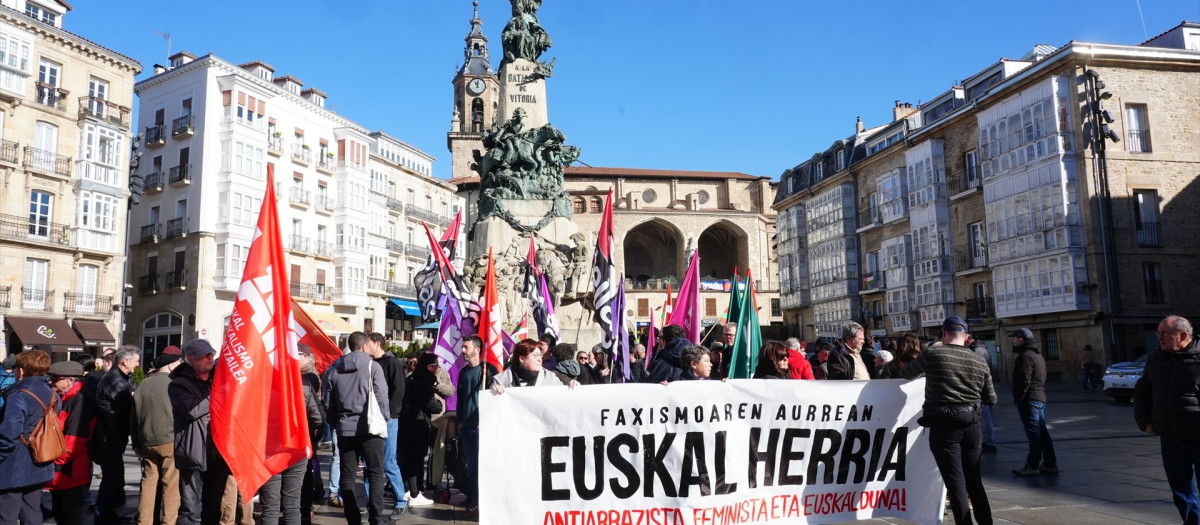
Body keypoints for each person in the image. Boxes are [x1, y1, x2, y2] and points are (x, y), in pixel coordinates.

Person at [900, 316, 996, 525]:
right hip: (972, 426)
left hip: (944, 426)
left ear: (943, 333)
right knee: (974, 481)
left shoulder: (934, 353)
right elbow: (992, 398)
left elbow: (906, 373)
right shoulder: (979, 360)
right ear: (967, 337)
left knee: (956, 484)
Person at [1135, 315, 1200, 524]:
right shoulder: (1156, 359)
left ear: (1182, 335)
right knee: (1180, 491)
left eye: (1164, 333)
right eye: (1158, 333)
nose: (1159, 338)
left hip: (1198, 436)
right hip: (1170, 439)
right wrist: (1145, 421)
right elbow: (1143, 391)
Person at [323, 331, 390, 525]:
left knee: (347, 477)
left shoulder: (335, 370)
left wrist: (337, 424)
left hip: (345, 429)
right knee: (376, 474)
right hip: (370, 429)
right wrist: (384, 419)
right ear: (363, 346)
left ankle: (353, 520)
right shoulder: (372, 367)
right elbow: (382, 398)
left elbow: (329, 403)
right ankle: (376, 519)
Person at [0, 349, 55, 524]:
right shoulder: (52, 393)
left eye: (16, 368)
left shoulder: (18, 396)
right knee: (32, 511)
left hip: (13, 465)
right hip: (41, 459)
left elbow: (9, 434)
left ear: (22, 371)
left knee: (6, 515)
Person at [131, 352, 183, 525]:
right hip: (169, 440)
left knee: (148, 484)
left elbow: (134, 417)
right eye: (178, 363)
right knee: (170, 485)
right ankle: (169, 521)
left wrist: (136, 443)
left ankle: (144, 521)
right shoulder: (174, 384)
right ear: (170, 366)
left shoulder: (143, 385)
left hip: (147, 440)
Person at [169, 339, 216, 525]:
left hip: (217, 452)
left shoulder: (217, 377)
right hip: (193, 454)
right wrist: (218, 395)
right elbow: (191, 410)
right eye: (204, 355)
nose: (209, 358)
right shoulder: (178, 384)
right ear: (190, 358)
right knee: (189, 509)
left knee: (213, 507)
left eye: (211, 354)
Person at [44, 359, 95, 524]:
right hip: (64, 469)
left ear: (70, 380)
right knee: (61, 515)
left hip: (71, 471)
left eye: (54, 379)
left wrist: (56, 462)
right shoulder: (64, 398)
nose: (51, 383)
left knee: (71, 517)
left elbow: (74, 440)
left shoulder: (80, 401)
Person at [95, 345, 141, 524]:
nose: (138, 365)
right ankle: (101, 516)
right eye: (136, 361)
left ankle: (107, 512)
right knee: (109, 478)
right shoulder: (114, 380)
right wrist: (132, 396)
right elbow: (129, 403)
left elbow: (134, 394)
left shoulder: (123, 377)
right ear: (126, 361)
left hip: (116, 434)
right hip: (109, 436)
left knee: (113, 476)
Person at [367, 333, 408, 517]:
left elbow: (399, 390)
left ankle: (400, 500)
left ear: (377, 344)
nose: (366, 347)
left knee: (388, 461)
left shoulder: (391, 363)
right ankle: (371, 505)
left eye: (368, 343)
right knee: (371, 463)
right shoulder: (369, 363)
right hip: (372, 418)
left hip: (388, 419)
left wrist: (389, 414)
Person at [456, 336, 498, 514]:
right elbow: (460, 398)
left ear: (478, 348)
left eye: (466, 347)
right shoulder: (463, 372)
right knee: (472, 466)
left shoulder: (489, 370)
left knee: (485, 466)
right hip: (467, 427)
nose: (463, 351)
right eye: (463, 347)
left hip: (483, 427)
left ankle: (487, 499)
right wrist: (459, 419)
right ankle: (475, 497)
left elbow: (496, 399)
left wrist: (486, 418)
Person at [1009, 327, 1058, 477]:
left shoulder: (1025, 356)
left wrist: (1020, 397)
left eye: (1014, 338)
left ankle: (1032, 465)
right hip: (1039, 397)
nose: (1013, 341)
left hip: (1030, 399)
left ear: (1020, 339)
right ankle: (1050, 464)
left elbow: (1024, 380)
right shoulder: (1037, 355)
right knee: (1042, 433)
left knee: (1034, 434)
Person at [491, 339, 580, 391]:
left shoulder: (550, 377)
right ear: (522, 359)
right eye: (535, 355)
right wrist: (494, 393)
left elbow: (564, 399)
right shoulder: (501, 380)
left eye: (540, 355)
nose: (539, 359)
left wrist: (572, 386)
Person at [968, 336, 998, 454]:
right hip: (984, 388)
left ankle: (990, 442)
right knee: (984, 417)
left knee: (984, 417)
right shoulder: (983, 349)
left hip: (980, 390)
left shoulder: (976, 351)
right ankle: (987, 441)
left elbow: (976, 371)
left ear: (970, 340)